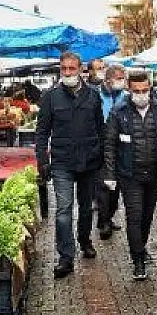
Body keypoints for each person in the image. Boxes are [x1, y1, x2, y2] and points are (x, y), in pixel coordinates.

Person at [104, 71, 157, 281]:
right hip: (130, 176)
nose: (141, 94)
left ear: (150, 89)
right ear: (129, 89)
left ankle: (141, 246)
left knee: (147, 217)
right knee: (134, 217)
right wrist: (110, 174)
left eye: (145, 90)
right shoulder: (119, 112)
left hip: (154, 175)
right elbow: (109, 144)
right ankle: (137, 260)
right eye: (136, 91)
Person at [35, 51, 105, 279]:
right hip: (62, 162)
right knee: (64, 210)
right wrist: (43, 161)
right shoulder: (50, 97)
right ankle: (65, 257)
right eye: (63, 69)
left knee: (86, 208)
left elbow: (100, 128)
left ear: (80, 70)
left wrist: (101, 154)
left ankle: (85, 240)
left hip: (89, 161)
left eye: (71, 69)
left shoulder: (93, 96)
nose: (67, 73)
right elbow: (42, 132)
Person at [97, 63, 128, 240]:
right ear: (108, 79)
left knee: (115, 188)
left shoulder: (126, 96)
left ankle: (109, 216)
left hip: (122, 146)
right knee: (104, 186)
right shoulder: (96, 95)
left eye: (123, 78)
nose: (121, 81)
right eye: (118, 78)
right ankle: (104, 222)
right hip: (102, 146)